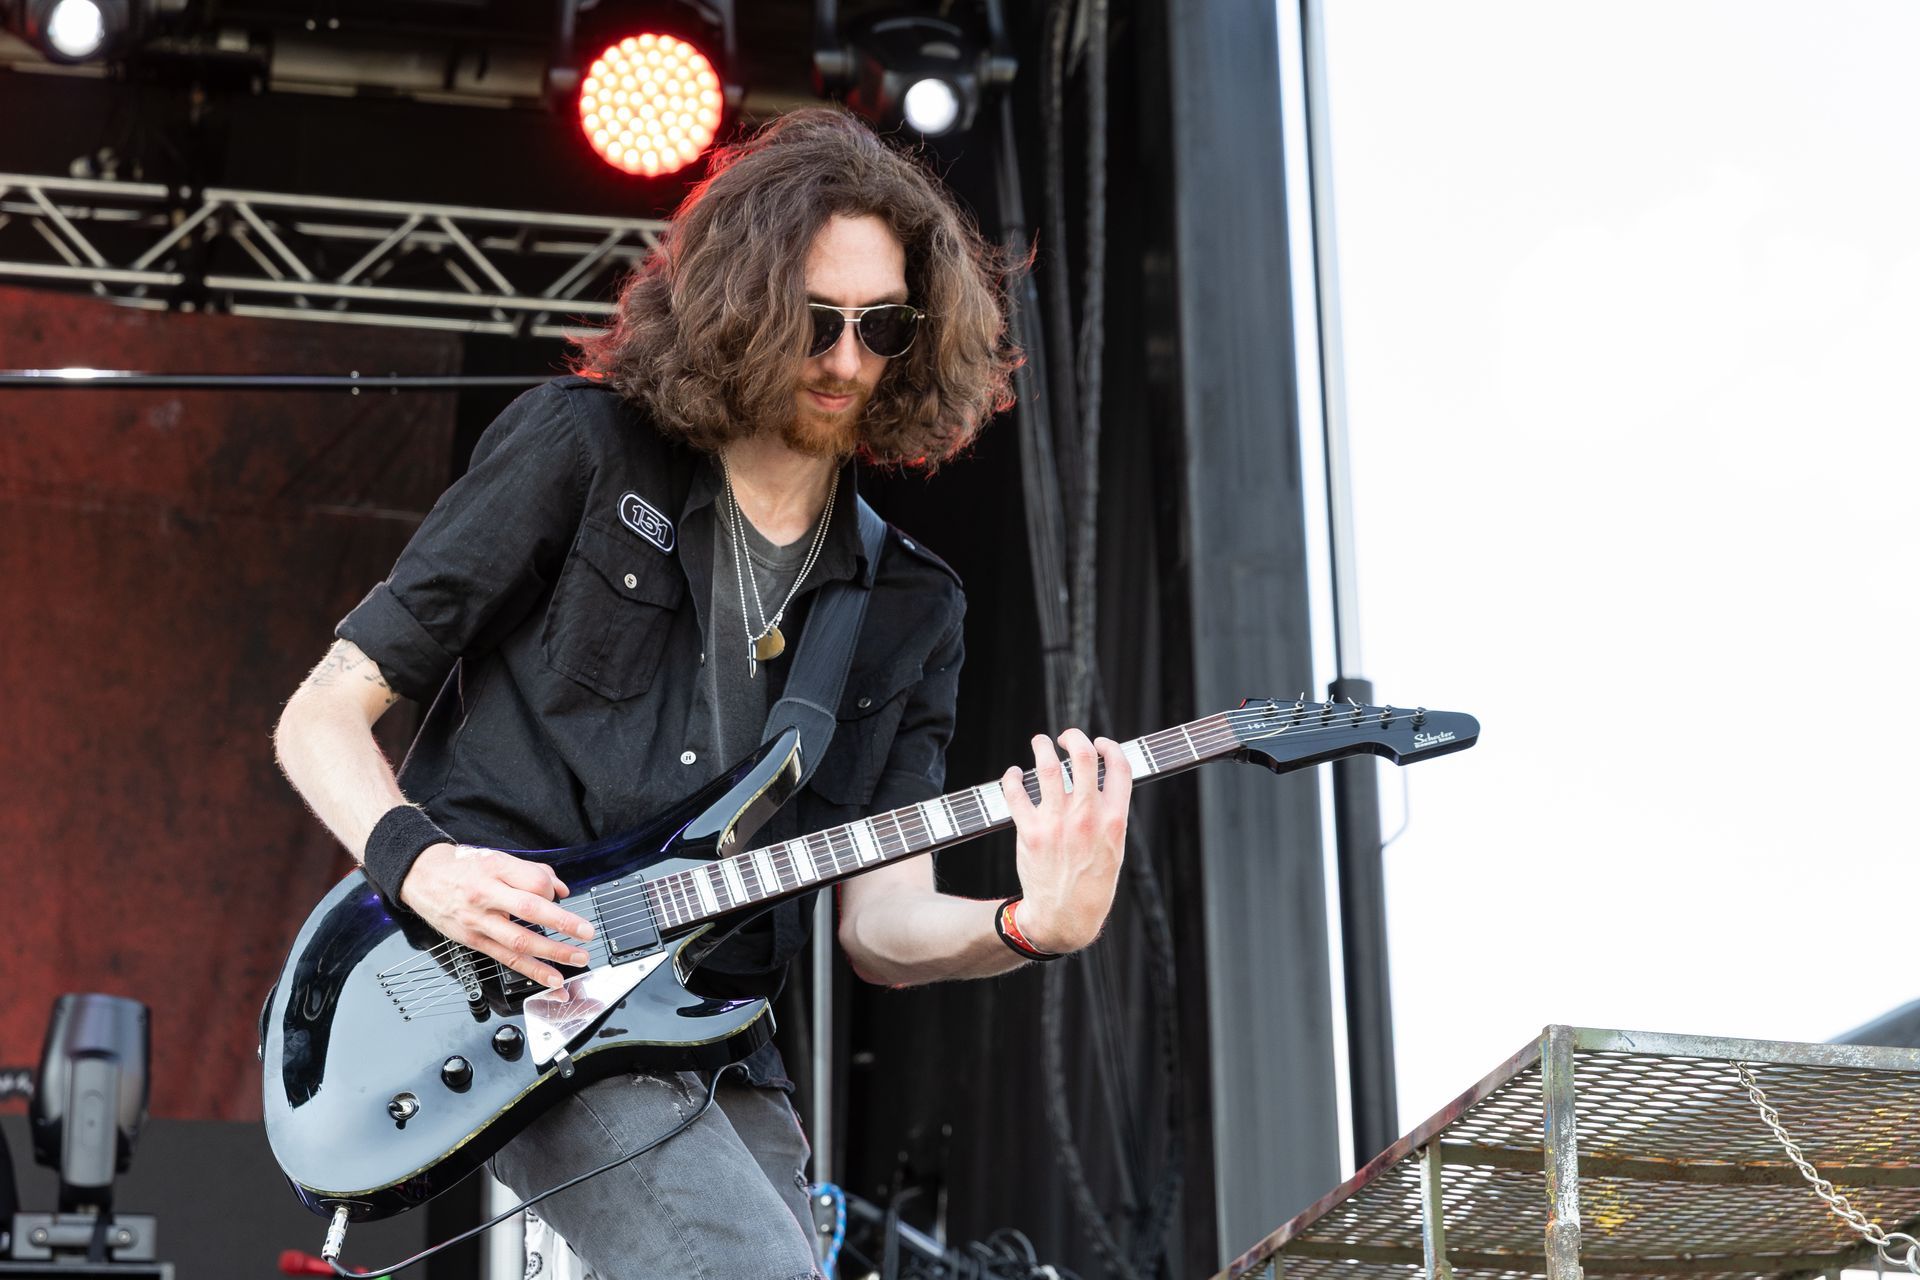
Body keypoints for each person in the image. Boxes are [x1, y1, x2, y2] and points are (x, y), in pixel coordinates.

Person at [271, 107, 1133, 1280]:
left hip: (716, 1034)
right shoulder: (582, 451)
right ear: (743, 303)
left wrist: (1029, 926)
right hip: (510, 986)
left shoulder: (909, 605)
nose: (843, 360)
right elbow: (320, 710)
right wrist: (423, 863)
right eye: (815, 321)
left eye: (881, 326)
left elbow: (880, 925)